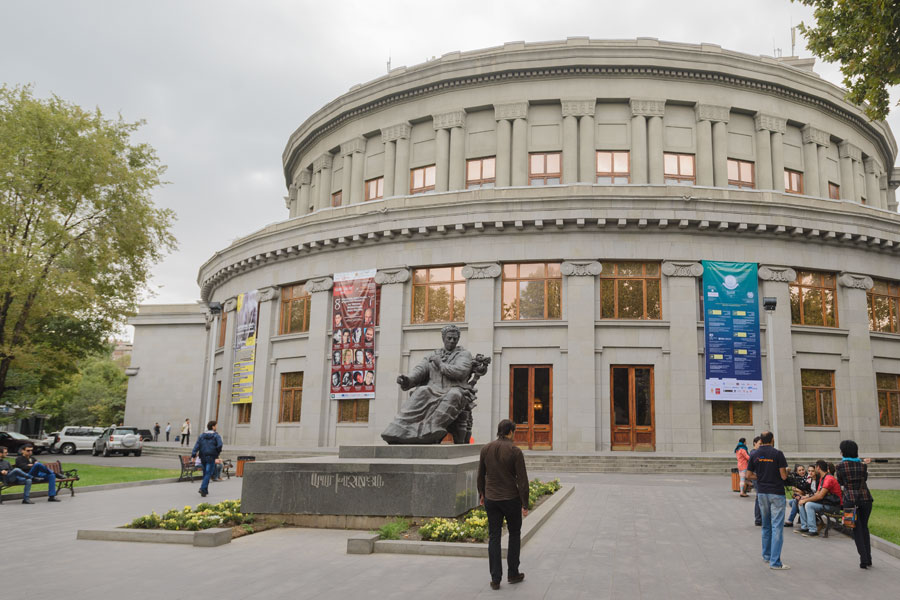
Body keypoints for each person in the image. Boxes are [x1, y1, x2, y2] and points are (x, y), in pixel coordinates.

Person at [382, 324, 475, 444]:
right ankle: (397, 429)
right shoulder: (432, 355)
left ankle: (431, 429)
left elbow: (460, 372)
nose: (452, 341)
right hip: (433, 389)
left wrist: (440, 364)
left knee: (454, 395)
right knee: (422, 391)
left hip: (456, 389)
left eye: (455, 338)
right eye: (449, 338)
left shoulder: (464, 354)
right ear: (443, 338)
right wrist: (408, 379)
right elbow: (420, 370)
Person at [477, 419, 528, 591]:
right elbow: (522, 480)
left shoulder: (486, 449)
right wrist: (525, 503)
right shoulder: (515, 451)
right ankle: (513, 573)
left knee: (494, 536)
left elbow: (480, 474)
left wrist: (481, 493)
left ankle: (495, 579)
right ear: (511, 432)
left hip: (491, 498)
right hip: (510, 498)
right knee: (514, 534)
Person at [747, 431, 789, 570]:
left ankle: (767, 555)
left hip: (762, 492)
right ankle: (775, 562)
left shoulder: (754, 454)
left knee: (766, 525)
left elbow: (748, 475)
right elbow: (783, 476)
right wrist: (786, 471)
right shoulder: (778, 454)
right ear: (772, 440)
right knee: (777, 527)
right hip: (776, 492)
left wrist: (760, 477)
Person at [835, 439, 873, 568]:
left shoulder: (840, 466)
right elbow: (865, 479)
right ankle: (868, 558)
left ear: (843, 452)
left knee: (856, 528)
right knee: (864, 527)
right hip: (866, 499)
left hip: (850, 500)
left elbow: (840, 482)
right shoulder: (863, 466)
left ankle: (863, 559)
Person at [797, 460, 842, 537]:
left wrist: (806, 500)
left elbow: (820, 496)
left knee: (809, 505)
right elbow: (817, 493)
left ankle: (813, 530)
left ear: (818, 468)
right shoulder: (823, 478)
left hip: (833, 506)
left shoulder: (828, 478)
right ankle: (804, 527)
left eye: (815, 468)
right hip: (827, 502)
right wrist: (805, 498)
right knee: (802, 503)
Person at [191, 420, 223, 497]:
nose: (216, 427)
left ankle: (205, 491)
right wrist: (217, 453)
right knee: (209, 473)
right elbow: (220, 445)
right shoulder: (216, 436)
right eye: (216, 426)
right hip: (211, 456)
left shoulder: (202, 436)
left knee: (205, 473)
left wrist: (193, 455)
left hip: (203, 456)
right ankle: (202, 488)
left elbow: (197, 446)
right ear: (213, 427)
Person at [749, 436, 762, 526]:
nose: (761, 446)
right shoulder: (754, 453)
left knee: (759, 497)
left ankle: (759, 518)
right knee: (759, 497)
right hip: (756, 476)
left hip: (759, 476)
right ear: (754, 443)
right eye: (760, 444)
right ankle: (758, 519)